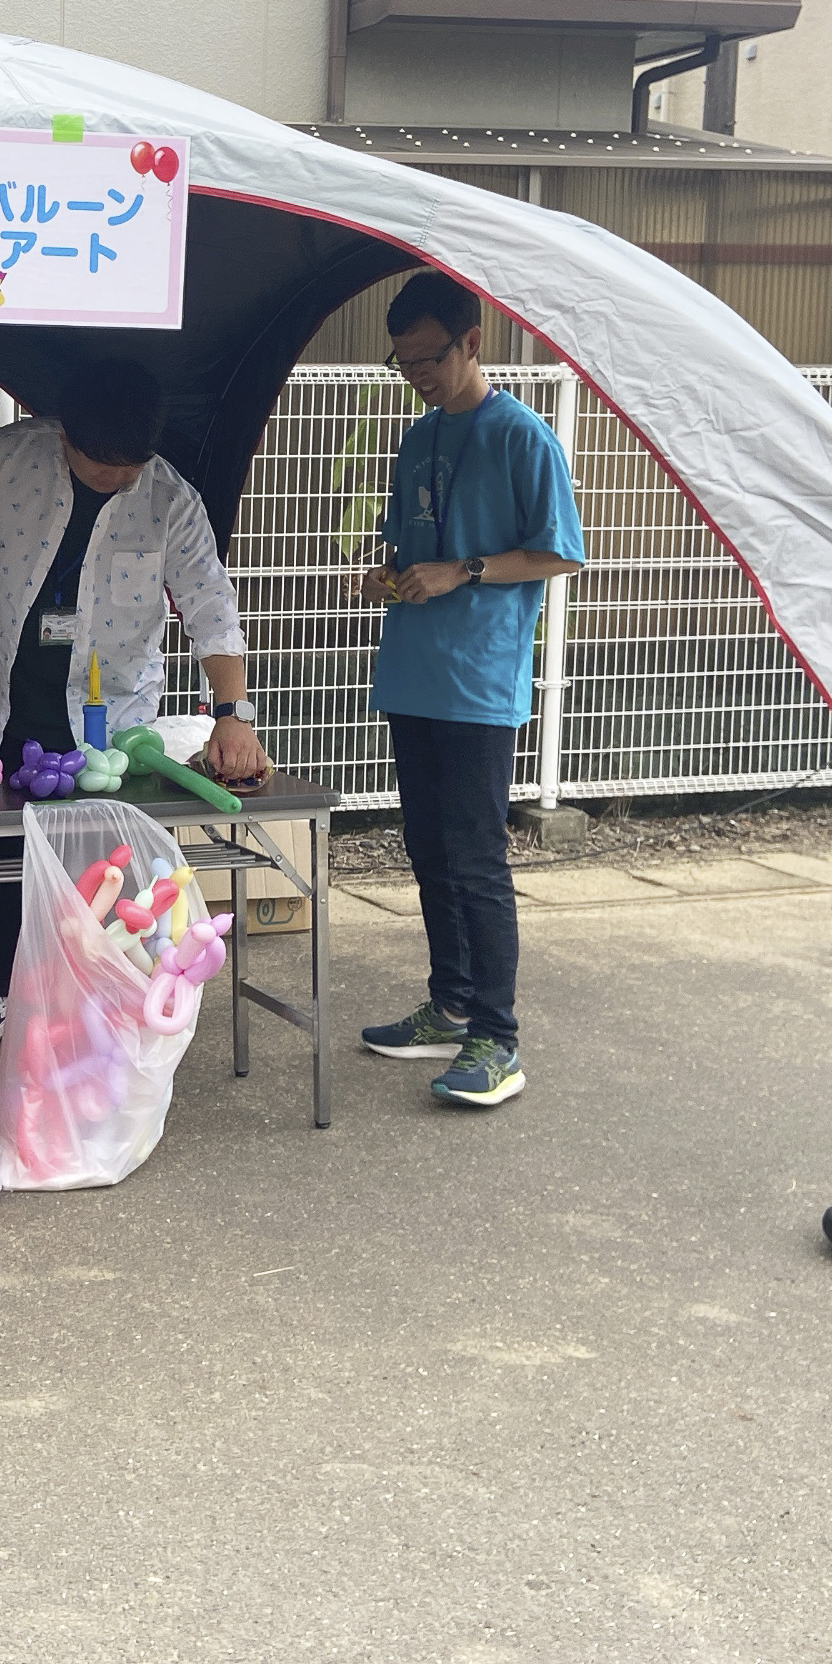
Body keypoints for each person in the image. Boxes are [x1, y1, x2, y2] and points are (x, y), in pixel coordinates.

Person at [0, 358, 265, 1035]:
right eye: (100, 466)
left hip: (112, 713)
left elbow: (209, 603)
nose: (117, 478)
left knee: (109, 863)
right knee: (4, 856)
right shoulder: (8, 458)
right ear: (65, 438)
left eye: (131, 466)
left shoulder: (171, 498)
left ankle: (103, 998)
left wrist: (232, 714)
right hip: (8, 694)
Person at [355, 272, 585, 1109]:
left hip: (479, 681)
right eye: (403, 361)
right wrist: (386, 577)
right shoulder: (418, 439)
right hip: (412, 674)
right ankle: (449, 1004)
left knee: (478, 860)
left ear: (471, 342)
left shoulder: (523, 437)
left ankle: (498, 1037)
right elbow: (413, 547)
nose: (417, 373)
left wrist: (466, 571)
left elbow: (559, 553)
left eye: (429, 358)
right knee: (428, 850)